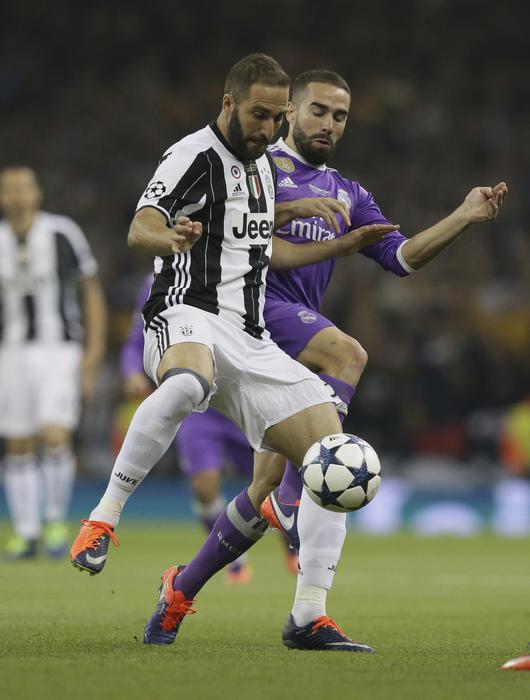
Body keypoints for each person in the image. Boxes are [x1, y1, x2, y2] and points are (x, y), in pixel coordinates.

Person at [70, 53, 394, 651]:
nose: (267, 130)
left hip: (251, 337)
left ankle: (307, 618)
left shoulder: (262, 167)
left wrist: (337, 240)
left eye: (276, 119)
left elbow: (265, 243)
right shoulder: (192, 154)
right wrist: (171, 235)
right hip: (185, 315)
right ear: (229, 104)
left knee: (332, 457)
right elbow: (140, 225)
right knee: (190, 382)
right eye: (257, 115)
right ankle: (102, 518)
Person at [244, 69, 505, 648]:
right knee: (348, 353)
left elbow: (402, 257)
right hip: (248, 313)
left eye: (340, 117)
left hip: (290, 337)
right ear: (290, 112)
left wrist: (463, 215)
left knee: (258, 486)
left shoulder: (348, 192)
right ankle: (295, 492)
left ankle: (203, 596)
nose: (329, 124)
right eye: (318, 111)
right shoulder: (255, 168)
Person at [120, 273, 297, 580]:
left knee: (271, 479)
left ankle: (290, 544)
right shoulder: (156, 279)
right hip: (200, 402)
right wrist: (132, 371)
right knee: (204, 487)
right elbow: (139, 337)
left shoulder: (241, 265)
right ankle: (229, 555)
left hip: (242, 391)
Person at [0, 166, 106, 559]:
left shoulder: (62, 232)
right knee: (18, 443)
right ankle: (26, 532)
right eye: (9, 188)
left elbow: (90, 289)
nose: (16, 194)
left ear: (37, 193)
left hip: (60, 348)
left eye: (23, 186)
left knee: (55, 434)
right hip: (11, 350)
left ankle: (55, 522)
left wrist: (92, 355)